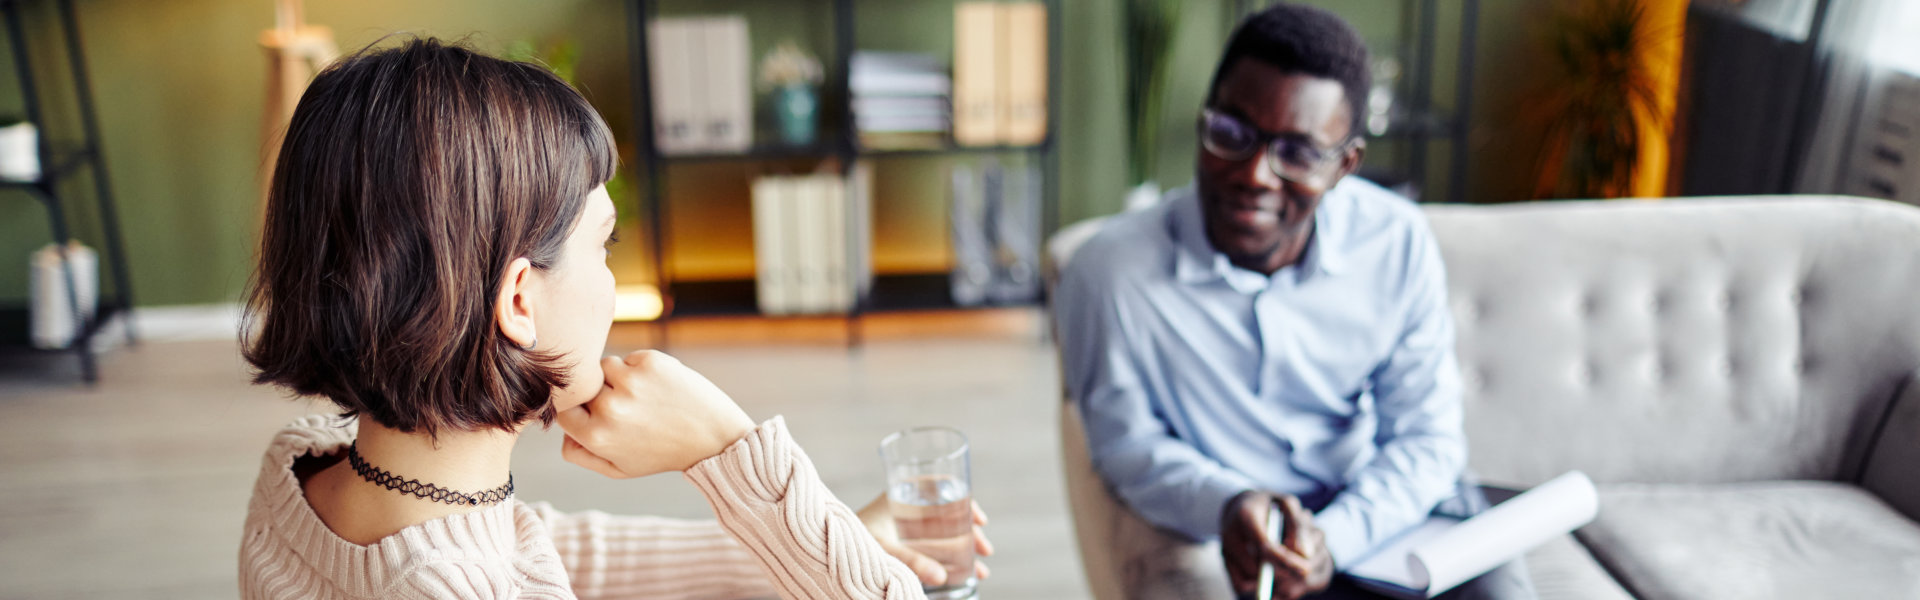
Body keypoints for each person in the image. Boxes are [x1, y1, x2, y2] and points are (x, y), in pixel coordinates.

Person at [237, 37, 990, 599]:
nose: (610, 281)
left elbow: (548, 548)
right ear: (520, 302)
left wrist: (833, 534)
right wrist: (730, 452)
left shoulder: (304, 471)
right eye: (604, 245)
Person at [1055, 5, 1533, 600]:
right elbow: (1125, 445)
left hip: (1384, 516)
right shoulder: (1108, 275)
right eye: (1231, 134)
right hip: (1250, 537)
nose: (1255, 174)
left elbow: (1427, 439)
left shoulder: (1397, 241)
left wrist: (1334, 540)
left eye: (1299, 154)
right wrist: (1227, 503)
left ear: (1345, 166)